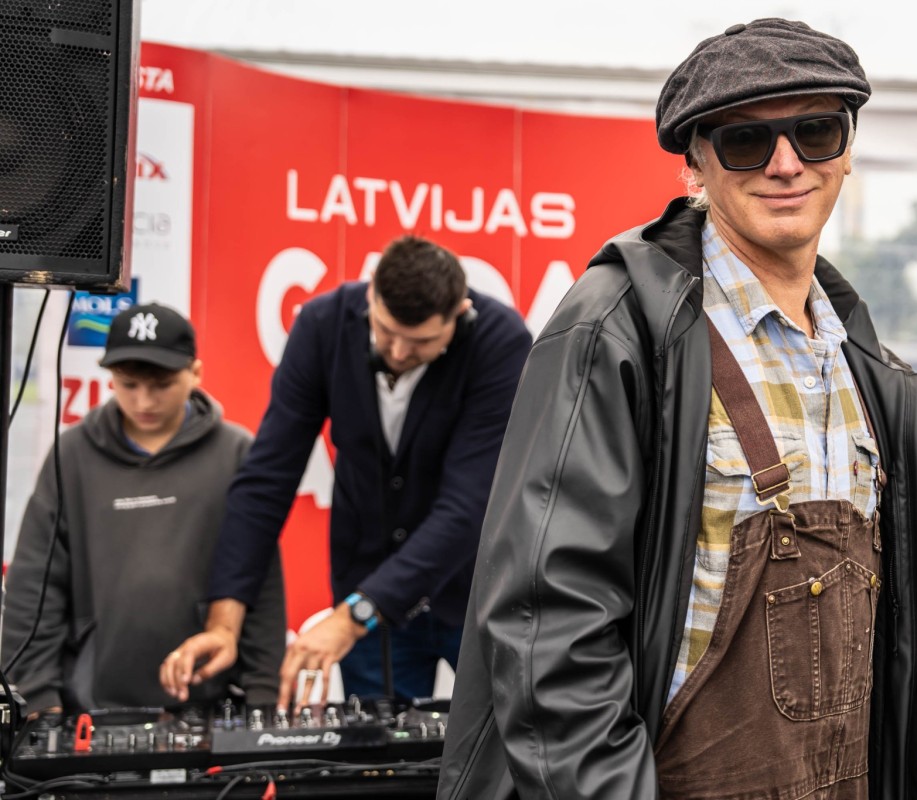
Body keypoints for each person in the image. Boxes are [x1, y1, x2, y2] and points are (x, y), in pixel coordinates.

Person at [438, 18, 917, 800]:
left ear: (847, 150)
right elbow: (548, 624)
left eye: (815, 132)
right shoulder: (618, 329)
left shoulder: (861, 361)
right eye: (745, 141)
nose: (785, 164)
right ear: (696, 166)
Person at [160, 234, 532, 709]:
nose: (398, 352)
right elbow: (267, 480)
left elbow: (468, 506)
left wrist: (355, 615)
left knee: (500, 741)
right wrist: (224, 623)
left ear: (460, 314)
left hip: (475, 592)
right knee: (379, 749)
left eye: (421, 342)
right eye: (386, 331)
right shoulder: (323, 326)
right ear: (370, 292)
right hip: (368, 584)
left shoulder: (501, 342)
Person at [2, 303, 286, 715]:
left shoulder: (236, 453)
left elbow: (259, 580)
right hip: (89, 711)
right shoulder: (72, 454)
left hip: (209, 705)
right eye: (128, 384)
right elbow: (35, 587)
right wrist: (37, 698)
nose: (143, 400)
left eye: (161, 384)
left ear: (195, 373)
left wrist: (263, 697)